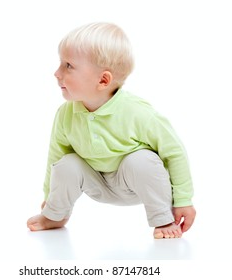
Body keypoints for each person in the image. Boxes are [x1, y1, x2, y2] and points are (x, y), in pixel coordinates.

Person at [27, 22, 196, 238]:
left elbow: (175, 153)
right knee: (67, 163)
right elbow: (55, 157)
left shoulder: (137, 112)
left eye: (68, 65)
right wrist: (50, 197)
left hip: (135, 184)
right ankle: (56, 215)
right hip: (96, 184)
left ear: (103, 80)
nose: (56, 73)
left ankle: (163, 219)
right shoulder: (65, 114)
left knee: (141, 160)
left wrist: (183, 200)